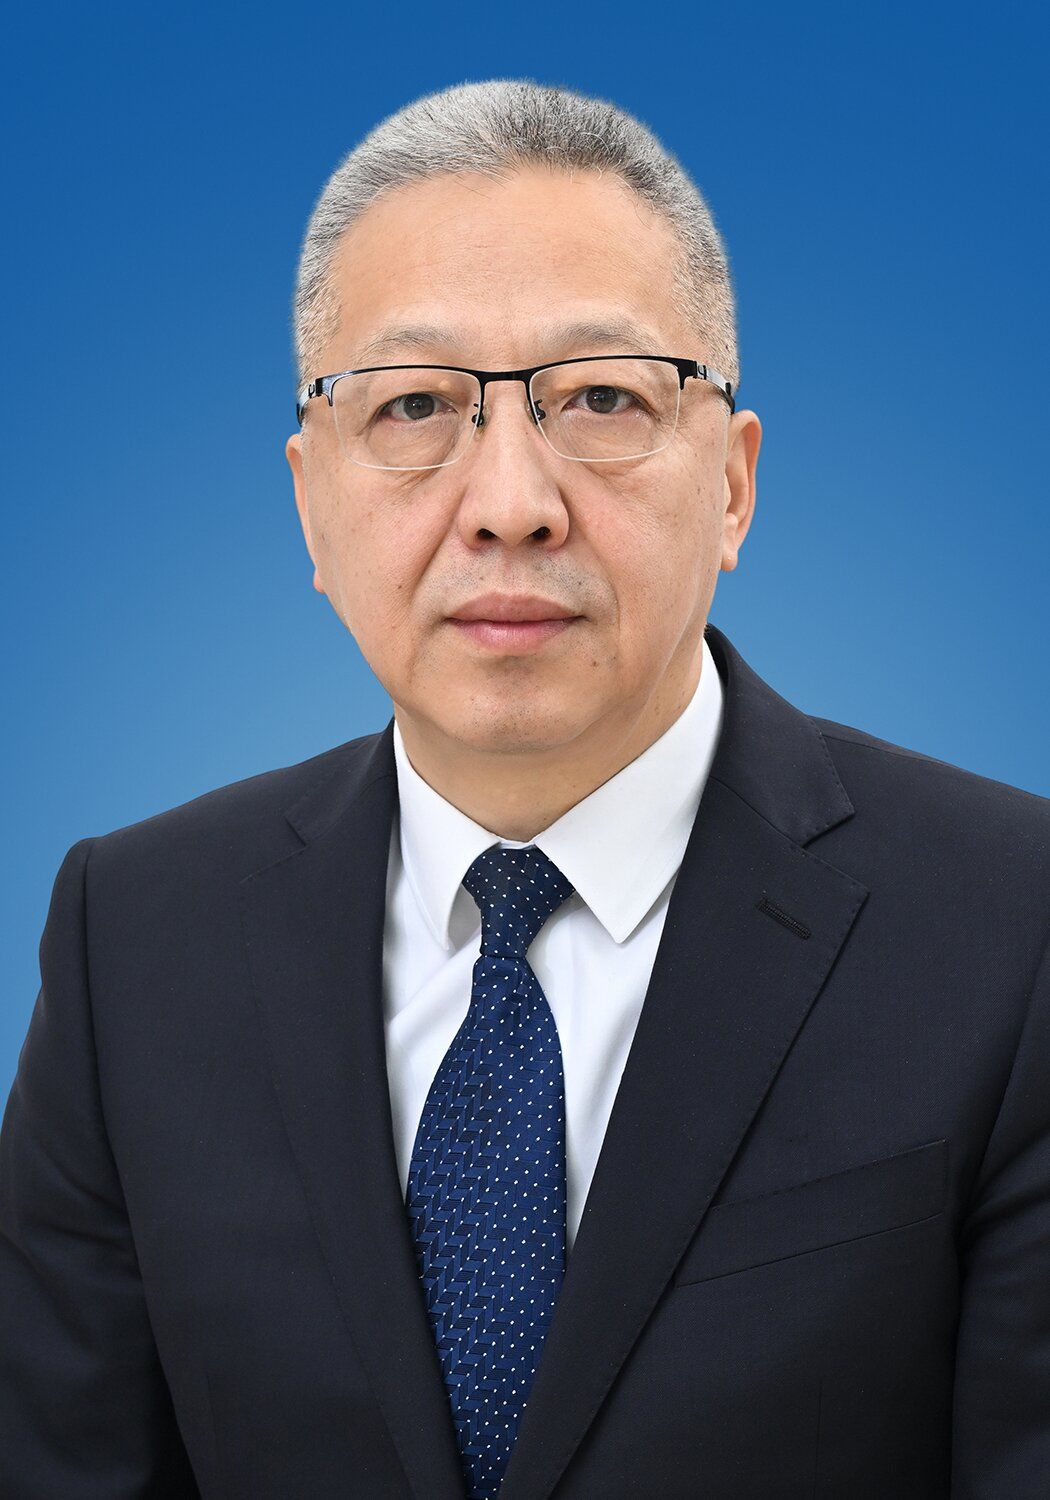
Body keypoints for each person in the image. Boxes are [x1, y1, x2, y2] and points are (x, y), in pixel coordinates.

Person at [2, 77, 1049, 1500]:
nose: (509, 504)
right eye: (414, 405)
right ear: (310, 502)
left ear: (732, 486)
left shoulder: (1011, 929)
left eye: (603, 398)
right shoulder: (132, 937)